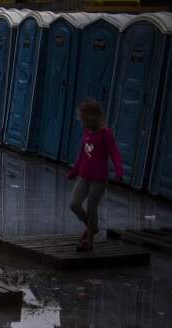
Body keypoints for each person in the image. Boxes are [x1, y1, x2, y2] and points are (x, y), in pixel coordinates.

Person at [67, 99, 123, 252]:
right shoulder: (87, 131)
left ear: (95, 117)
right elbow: (82, 153)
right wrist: (75, 170)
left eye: (86, 120)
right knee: (74, 204)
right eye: (82, 120)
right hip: (84, 176)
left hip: (98, 179)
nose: (83, 124)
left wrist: (119, 171)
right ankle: (92, 227)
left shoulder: (105, 134)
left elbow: (115, 153)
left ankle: (89, 240)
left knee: (92, 208)